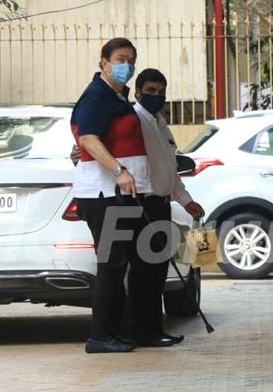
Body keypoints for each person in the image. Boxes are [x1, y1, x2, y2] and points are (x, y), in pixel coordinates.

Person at [71, 37, 152, 354]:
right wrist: (119, 170)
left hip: (121, 194)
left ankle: (115, 331)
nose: (127, 65)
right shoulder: (97, 96)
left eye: (131, 59)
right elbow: (89, 138)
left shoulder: (115, 96)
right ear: (103, 62)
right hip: (105, 194)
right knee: (111, 263)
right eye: (120, 59)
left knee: (119, 264)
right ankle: (100, 336)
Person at [131, 68, 205, 346]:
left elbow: (170, 172)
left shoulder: (160, 122)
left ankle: (153, 329)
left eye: (161, 92)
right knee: (144, 274)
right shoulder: (133, 119)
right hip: (142, 204)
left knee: (158, 271)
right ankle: (141, 330)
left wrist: (187, 201)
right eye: (150, 91)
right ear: (138, 92)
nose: (156, 96)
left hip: (161, 204)